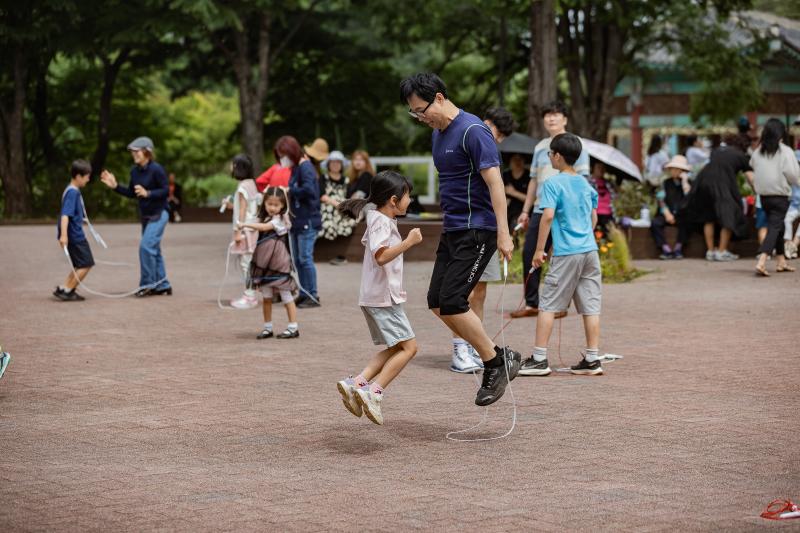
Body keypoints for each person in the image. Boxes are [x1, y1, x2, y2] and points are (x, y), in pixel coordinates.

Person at [401, 72, 521, 407]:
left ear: (439, 97)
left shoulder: (473, 130)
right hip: (453, 228)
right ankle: (499, 356)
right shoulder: (438, 135)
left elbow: (496, 184)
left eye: (421, 109)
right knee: (437, 300)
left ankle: (495, 362)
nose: (420, 117)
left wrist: (503, 232)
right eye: (414, 113)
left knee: (454, 300)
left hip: (478, 228)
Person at [335, 171, 422, 425]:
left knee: (397, 347)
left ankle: (356, 383)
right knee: (410, 348)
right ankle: (374, 391)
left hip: (377, 296)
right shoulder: (381, 222)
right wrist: (409, 242)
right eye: (408, 196)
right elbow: (381, 256)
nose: (410, 201)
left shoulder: (378, 219)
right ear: (394, 200)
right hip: (383, 298)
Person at [518, 133, 604, 377]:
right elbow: (593, 218)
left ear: (557, 156)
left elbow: (547, 216)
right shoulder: (586, 185)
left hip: (567, 253)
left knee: (547, 305)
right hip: (590, 251)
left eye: (550, 154)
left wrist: (539, 250)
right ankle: (592, 358)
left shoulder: (553, 184)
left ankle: (539, 359)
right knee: (590, 306)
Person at [449, 106, 516, 373]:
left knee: (480, 291)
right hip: (468, 228)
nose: (495, 141)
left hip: (487, 227)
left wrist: (502, 230)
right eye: (497, 135)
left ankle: (476, 347)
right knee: (458, 293)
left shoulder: (485, 145)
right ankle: (458, 348)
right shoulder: (472, 136)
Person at [512, 100, 590, 319]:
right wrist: (526, 210)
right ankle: (532, 304)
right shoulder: (540, 147)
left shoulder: (576, 144)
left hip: (565, 211)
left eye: (556, 114)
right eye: (547, 115)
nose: (551, 118)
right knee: (530, 253)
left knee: (561, 256)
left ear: (565, 119)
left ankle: (560, 305)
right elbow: (534, 181)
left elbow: (582, 180)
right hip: (540, 208)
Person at [100, 136, 172, 297]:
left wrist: (148, 193)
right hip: (146, 216)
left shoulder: (157, 169)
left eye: (136, 151)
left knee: (146, 247)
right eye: (132, 151)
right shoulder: (134, 171)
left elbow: (165, 190)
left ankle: (147, 285)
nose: (133, 154)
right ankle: (163, 285)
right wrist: (115, 186)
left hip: (160, 213)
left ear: (147, 152)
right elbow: (132, 193)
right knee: (153, 249)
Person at [238, 186, 299, 339]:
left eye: (276, 205)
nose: (272, 208)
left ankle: (293, 327)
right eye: (269, 204)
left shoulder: (279, 220)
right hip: (263, 263)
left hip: (278, 263)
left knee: (286, 294)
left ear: (282, 206)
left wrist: (245, 224)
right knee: (266, 296)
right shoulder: (263, 217)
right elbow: (259, 222)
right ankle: (268, 327)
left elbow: (265, 227)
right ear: (264, 203)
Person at [686, 133, 752, 262]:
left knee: (708, 217)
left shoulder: (716, 151)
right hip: (722, 184)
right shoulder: (741, 156)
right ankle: (722, 251)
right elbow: (751, 178)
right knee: (729, 215)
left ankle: (710, 251)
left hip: (703, 182)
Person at [750, 118, 800, 276]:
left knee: (778, 228)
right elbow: (793, 175)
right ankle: (762, 260)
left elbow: (753, 165)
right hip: (780, 197)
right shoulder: (785, 151)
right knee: (775, 227)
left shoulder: (759, 151)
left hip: (764, 197)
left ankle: (781, 262)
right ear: (781, 134)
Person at [281, 136, 322, 308]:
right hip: (297, 221)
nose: (282, 158)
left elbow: (309, 190)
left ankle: (312, 295)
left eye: (284, 154)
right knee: (298, 260)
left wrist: (291, 190)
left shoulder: (305, 167)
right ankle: (304, 292)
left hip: (307, 220)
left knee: (305, 259)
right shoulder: (297, 167)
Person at [54, 159, 94, 302]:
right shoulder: (73, 193)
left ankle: (64, 287)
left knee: (79, 264)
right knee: (87, 263)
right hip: (75, 236)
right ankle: (69, 291)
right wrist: (64, 235)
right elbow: (65, 215)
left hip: (73, 235)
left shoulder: (70, 190)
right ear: (78, 176)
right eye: (87, 177)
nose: (88, 180)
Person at [228, 154, 262, 309]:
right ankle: (251, 293)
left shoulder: (242, 187)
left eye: (233, 165)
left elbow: (242, 210)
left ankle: (249, 296)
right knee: (250, 262)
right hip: (253, 227)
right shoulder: (251, 184)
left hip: (246, 229)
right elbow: (249, 207)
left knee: (245, 263)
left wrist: (237, 230)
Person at [319, 150, 357, 265]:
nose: (335, 165)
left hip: (342, 207)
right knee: (329, 210)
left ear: (341, 165)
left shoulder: (346, 180)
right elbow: (322, 195)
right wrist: (336, 203)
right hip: (328, 206)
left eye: (338, 162)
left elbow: (349, 197)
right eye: (332, 162)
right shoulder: (323, 178)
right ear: (328, 164)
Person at [650, 155, 692, 259]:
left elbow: (689, 199)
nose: (674, 171)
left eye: (677, 169)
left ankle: (678, 248)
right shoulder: (666, 183)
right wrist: (667, 213)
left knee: (688, 222)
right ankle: (666, 249)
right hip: (667, 213)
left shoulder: (688, 184)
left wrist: (684, 183)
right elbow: (661, 199)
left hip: (681, 215)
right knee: (655, 223)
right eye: (673, 169)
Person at [591, 161, 615, 238]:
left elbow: (615, 198)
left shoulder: (609, 184)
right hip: (594, 216)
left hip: (608, 216)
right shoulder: (587, 182)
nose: (601, 170)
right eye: (598, 167)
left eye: (603, 168)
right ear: (593, 168)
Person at [783, 181, 800, 259]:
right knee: (787, 220)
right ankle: (789, 245)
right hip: (794, 206)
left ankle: (793, 247)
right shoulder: (793, 176)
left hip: (795, 205)